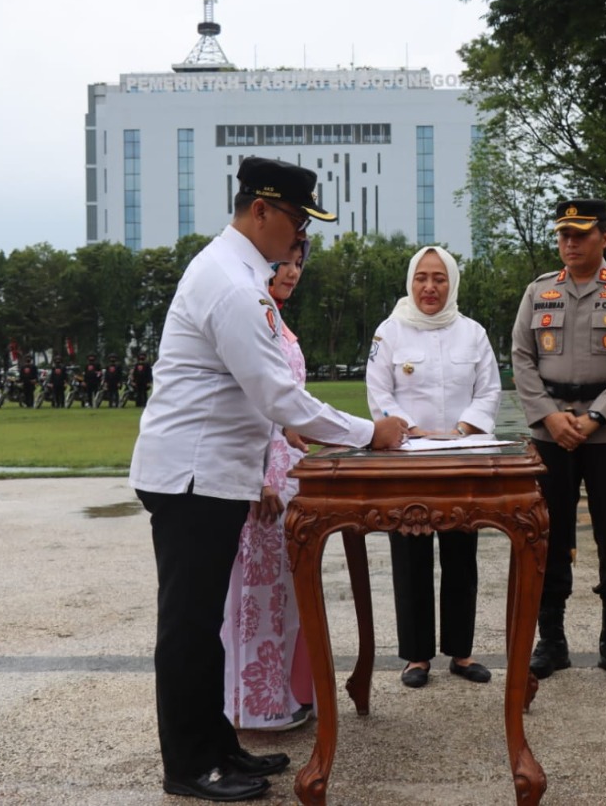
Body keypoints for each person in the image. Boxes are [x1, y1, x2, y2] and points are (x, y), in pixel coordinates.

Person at [129, 156, 406, 802]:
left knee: (203, 627)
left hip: (210, 474)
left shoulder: (236, 273)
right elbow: (278, 395)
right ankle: (189, 764)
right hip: (194, 477)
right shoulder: (232, 284)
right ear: (260, 210)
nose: (301, 235)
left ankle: (219, 745)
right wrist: (370, 431)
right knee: (189, 627)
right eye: (296, 220)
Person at [511, 198, 606, 681]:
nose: (570, 243)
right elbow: (521, 357)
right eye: (564, 234)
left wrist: (596, 417)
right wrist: (550, 417)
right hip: (550, 431)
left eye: (581, 234)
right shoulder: (539, 291)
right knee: (547, 534)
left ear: (605, 238)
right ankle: (551, 640)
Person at [366, 246, 502, 688]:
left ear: (452, 283)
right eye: (421, 278)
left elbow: (489, 391)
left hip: (461, 460)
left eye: (439, 278)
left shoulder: (473, 333)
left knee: (462, 557)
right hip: (407, 461)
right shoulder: (389, 332)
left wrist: (461, 430)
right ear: (410, 281)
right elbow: (379, 393)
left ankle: (461, 653)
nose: (429, 287)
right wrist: (413, 429)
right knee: (411, 557)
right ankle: (416, 656)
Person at [222, 240, 318, 732]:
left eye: (299, 264)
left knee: (286, 591)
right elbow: (245, 406)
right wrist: (258, 480)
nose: (292, 272)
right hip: (262, 478)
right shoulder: (251, 320)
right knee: (258, 597)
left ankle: (287, 693)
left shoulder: (276, 321)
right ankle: (257, 706)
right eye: (284, 262)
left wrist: (297, 432)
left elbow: (284, 407)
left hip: (288, 474)